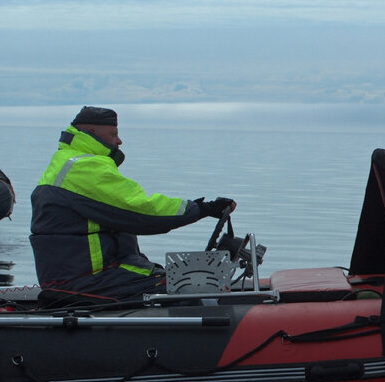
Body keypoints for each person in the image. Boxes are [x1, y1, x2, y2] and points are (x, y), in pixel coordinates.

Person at [29, 106, 235, 302]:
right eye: (113, 134)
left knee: (174, 280)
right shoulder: (86, 167)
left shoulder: (66, 161)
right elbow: (143, 211)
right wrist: (202, 209)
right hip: (87, 278)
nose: (119, 141)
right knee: (183, 292)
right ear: (91, 132)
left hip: (76, 275)